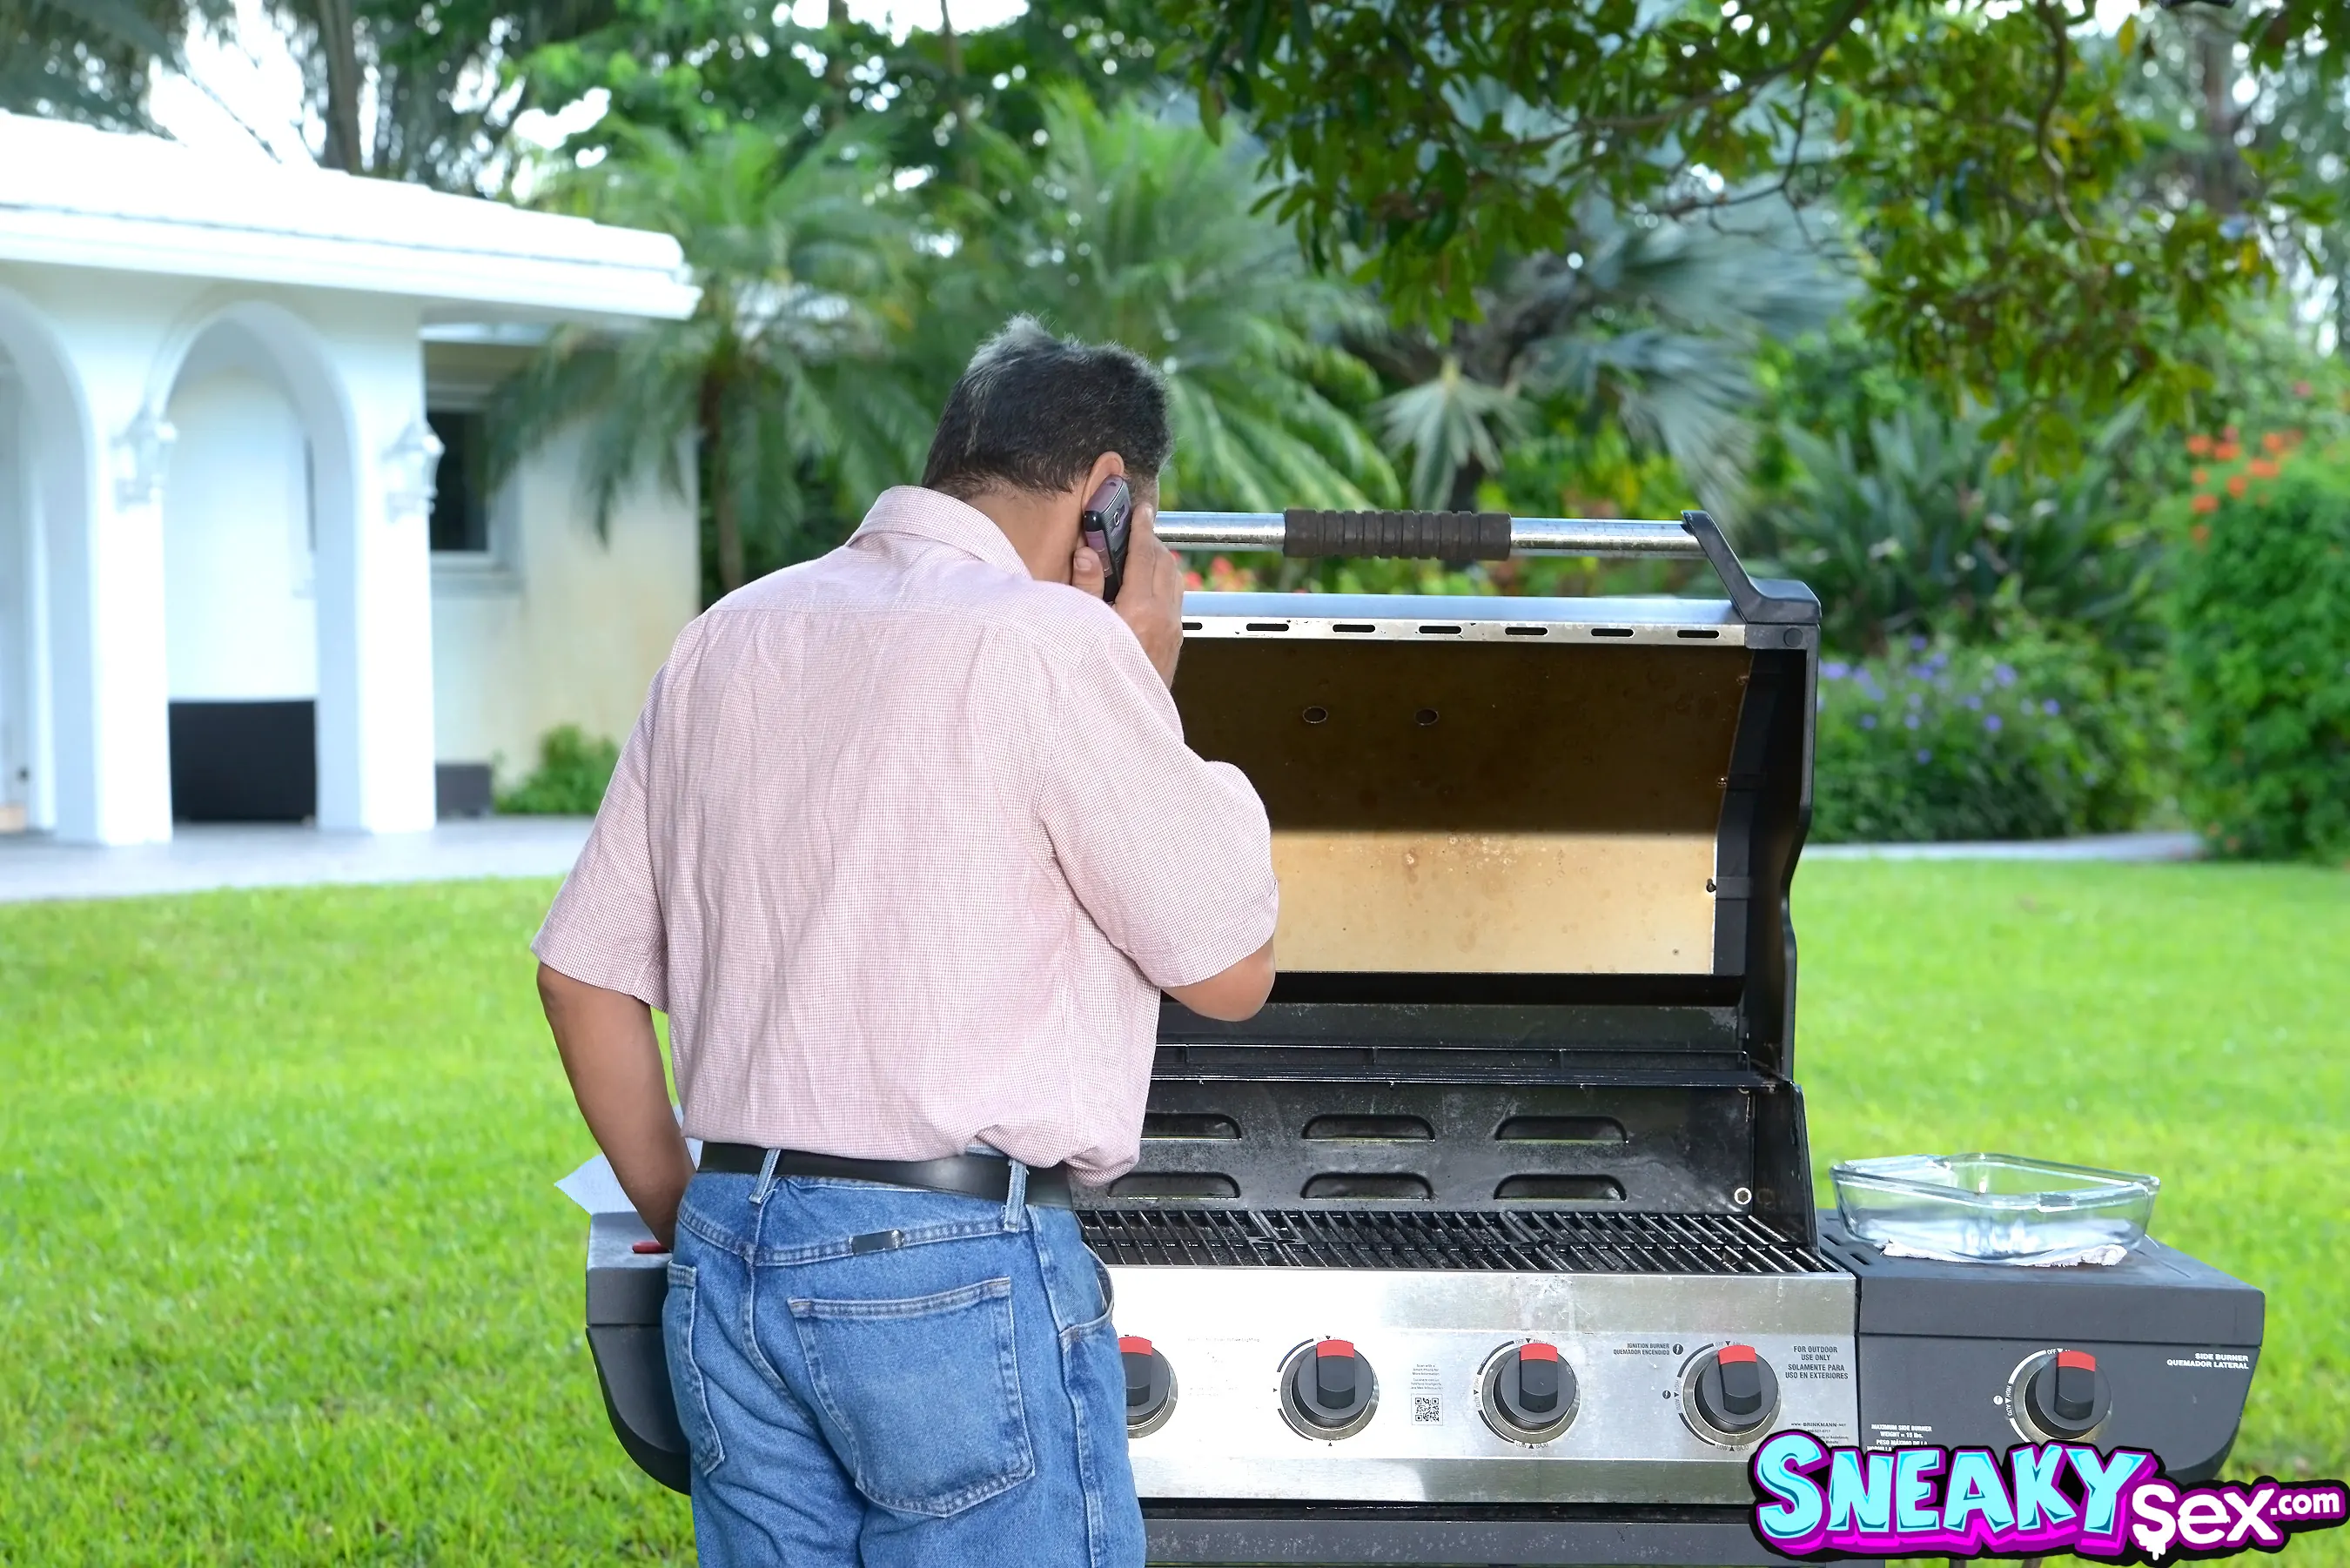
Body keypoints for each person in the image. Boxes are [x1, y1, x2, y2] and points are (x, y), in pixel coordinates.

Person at [533, 316, 1280, 1568]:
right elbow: (1230, 967)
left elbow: (581, 974)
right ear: (1109, 500)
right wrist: (1144, 669)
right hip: (949, 1270)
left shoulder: (731, 633)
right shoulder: (1055, 644)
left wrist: (710, 1211)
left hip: (732, 1264)